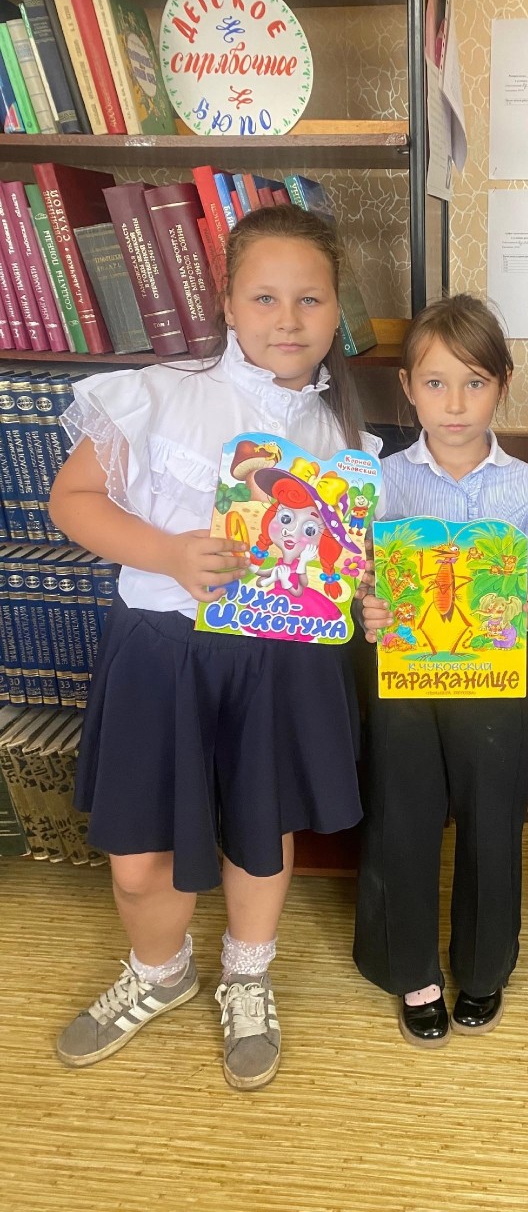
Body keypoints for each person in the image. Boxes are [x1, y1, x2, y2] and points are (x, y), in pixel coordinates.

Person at [48, 204, 379, 1091]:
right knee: (139, 859)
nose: (287, 319)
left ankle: (247, 975)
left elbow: (345, 571)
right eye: (264, 297)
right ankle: (159, 975)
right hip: (162, 654)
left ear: (337, 310)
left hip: (279, 662)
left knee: (259, 829)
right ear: (227, 305)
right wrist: (167, 553)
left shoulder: (343, 441)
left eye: (309, 299)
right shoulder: (160, 391)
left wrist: (364, 595)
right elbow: (71, 502)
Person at [353, 294, 528, 1047]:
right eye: (436, 383)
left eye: (475, 382)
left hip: (490, 687)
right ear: (408, 387)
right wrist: (367, 610)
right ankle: (412, 970)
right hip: (405, 685)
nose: (456, 403)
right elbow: (358, 587)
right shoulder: (379, 482)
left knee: (492, 824)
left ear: (503, 384)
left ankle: (483, 967)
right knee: (400, 821)